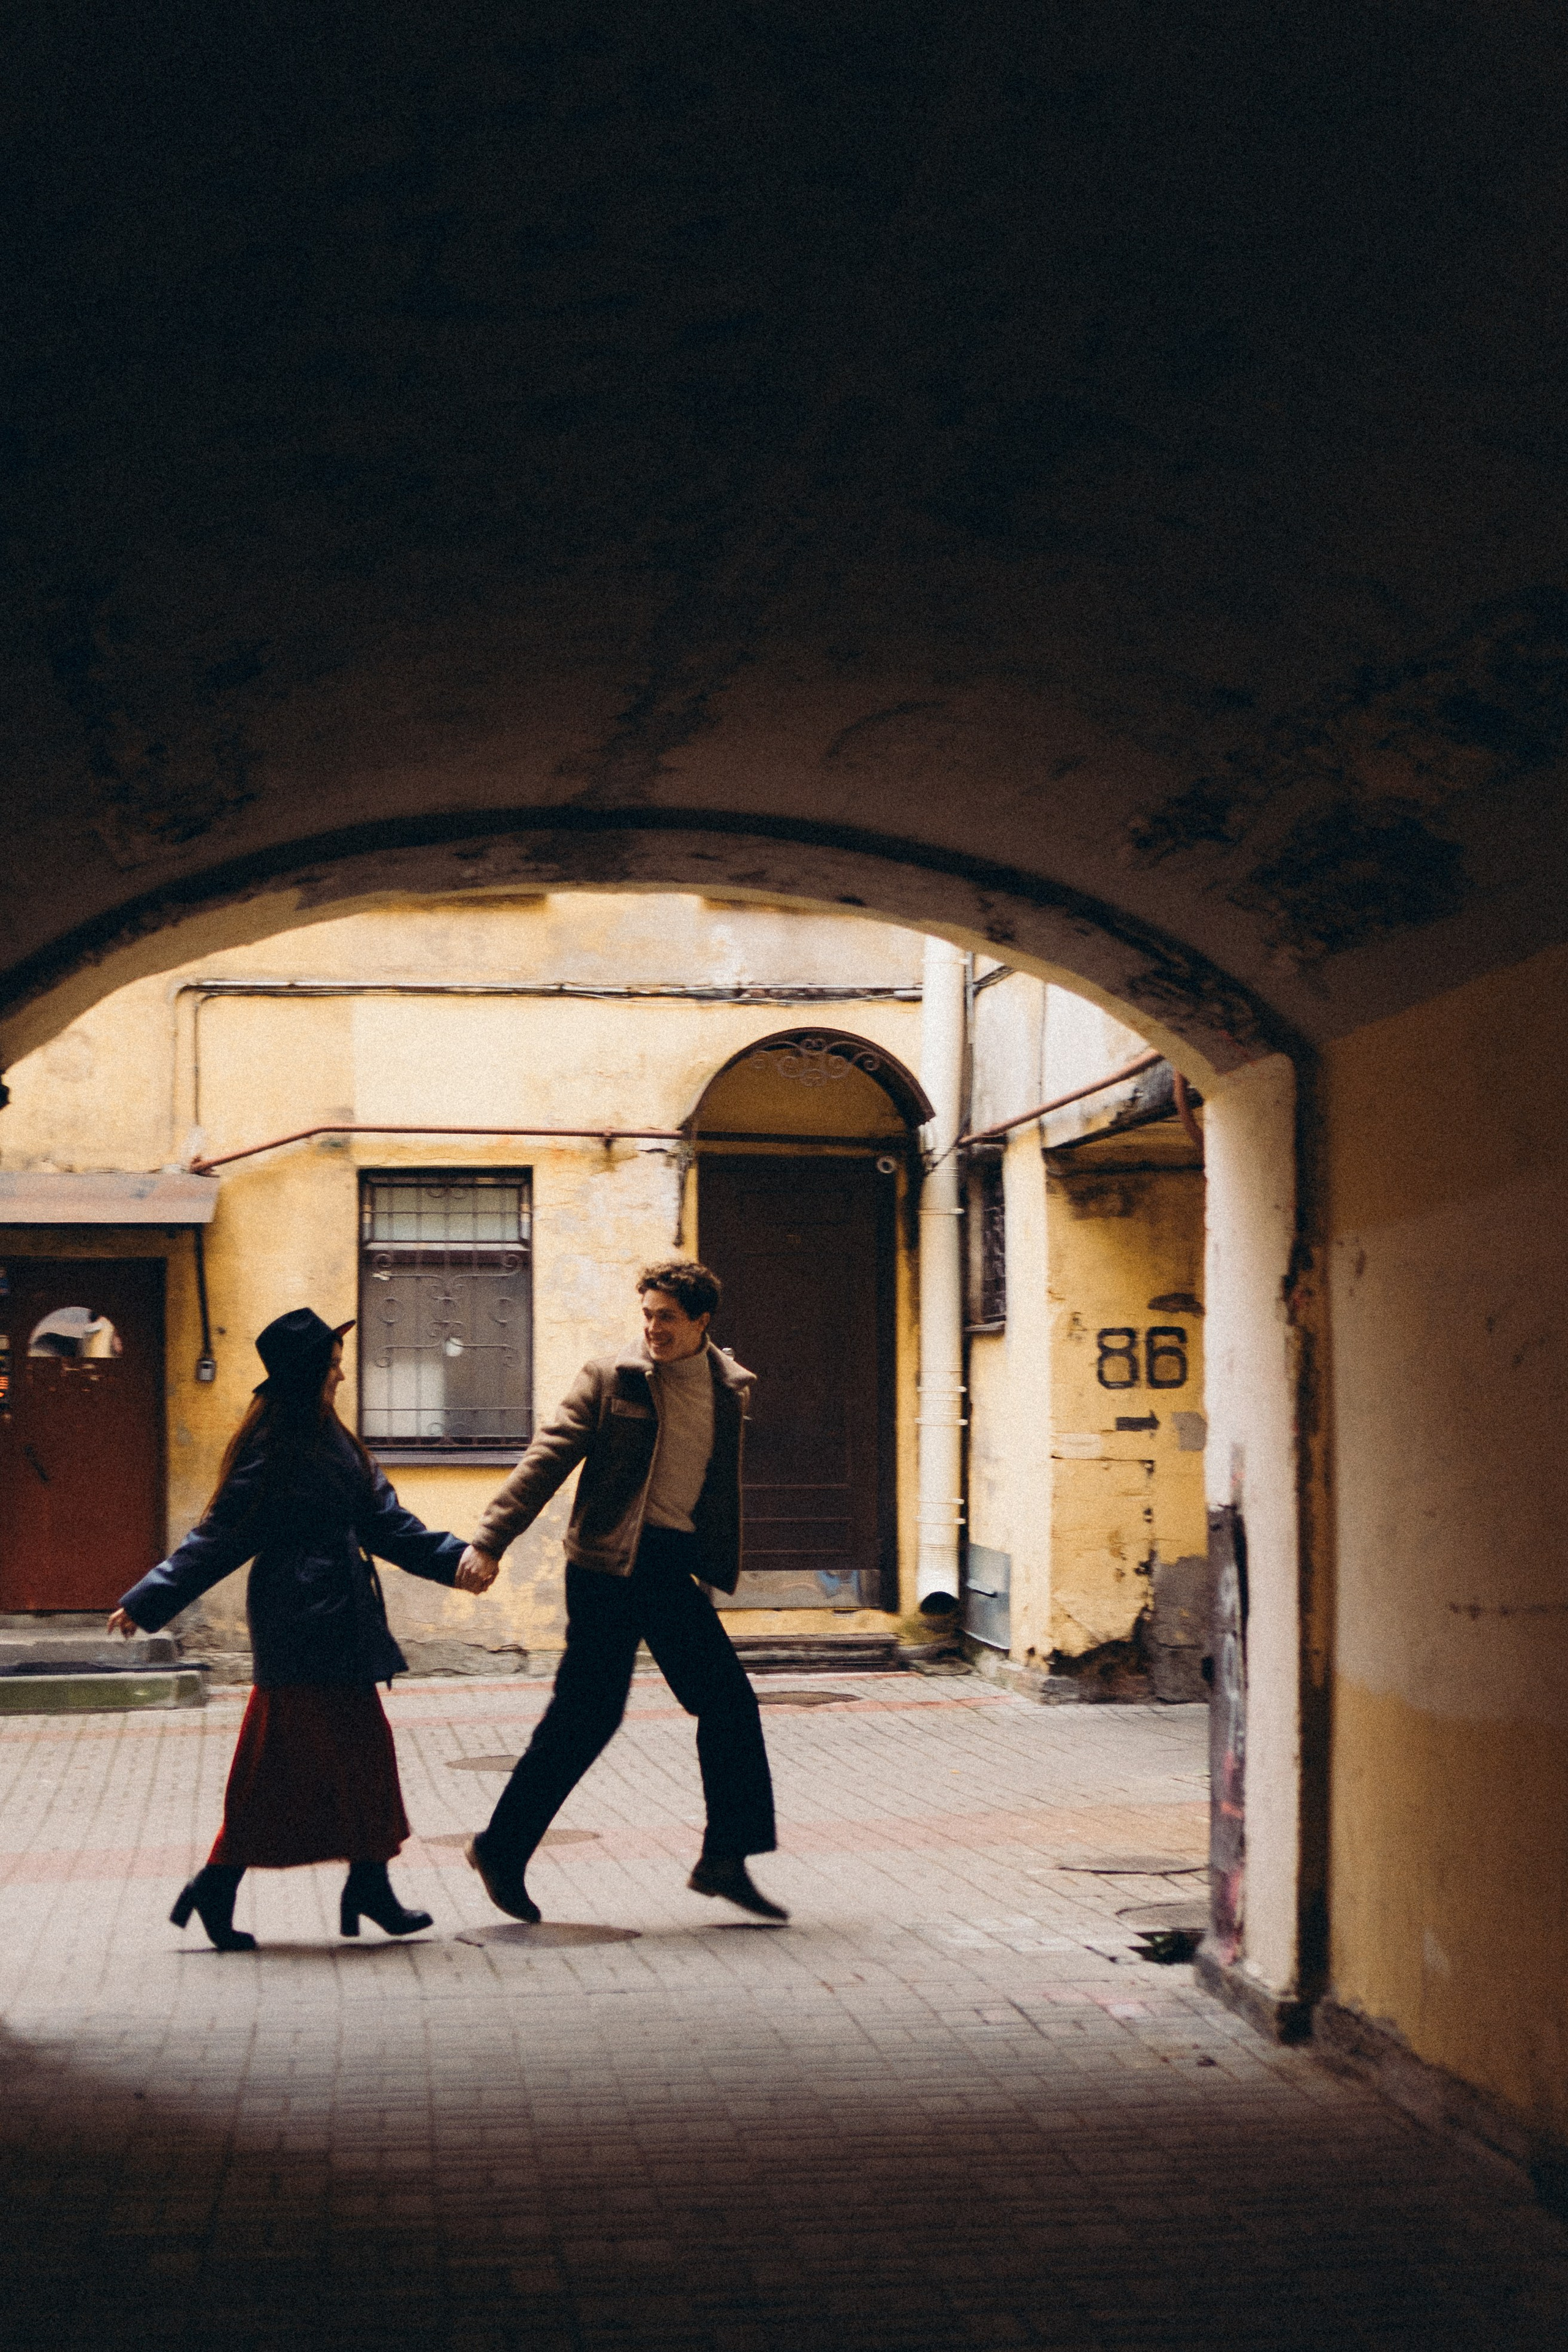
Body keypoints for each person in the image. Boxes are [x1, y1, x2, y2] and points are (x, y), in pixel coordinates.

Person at [110, 1307, 490, 1951]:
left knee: (359, 1756)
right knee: (277, 1767)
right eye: (334, 1364)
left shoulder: (329, 1434)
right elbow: (222, 1535)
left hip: (335, 1617)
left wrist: (454, 1561)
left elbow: (385, 1522)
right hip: (299, 1621)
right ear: (311, 1372)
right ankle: (223, 1883)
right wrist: (151, 1599)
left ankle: (364, 1882)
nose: (342, 1373)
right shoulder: (277, 1444)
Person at [458, 1258, 786, 1926]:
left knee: (728, 1705)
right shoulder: (613, 1378)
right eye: (646, 1315)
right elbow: (546, 1457)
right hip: (606, 1568)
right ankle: (501, 1848)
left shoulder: (730, 1390)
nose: (652, 1329)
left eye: (666, 1316)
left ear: (701, 1321)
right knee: (587, 1717)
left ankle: (726, 1857)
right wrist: (490, 1539)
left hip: (668, 1565)